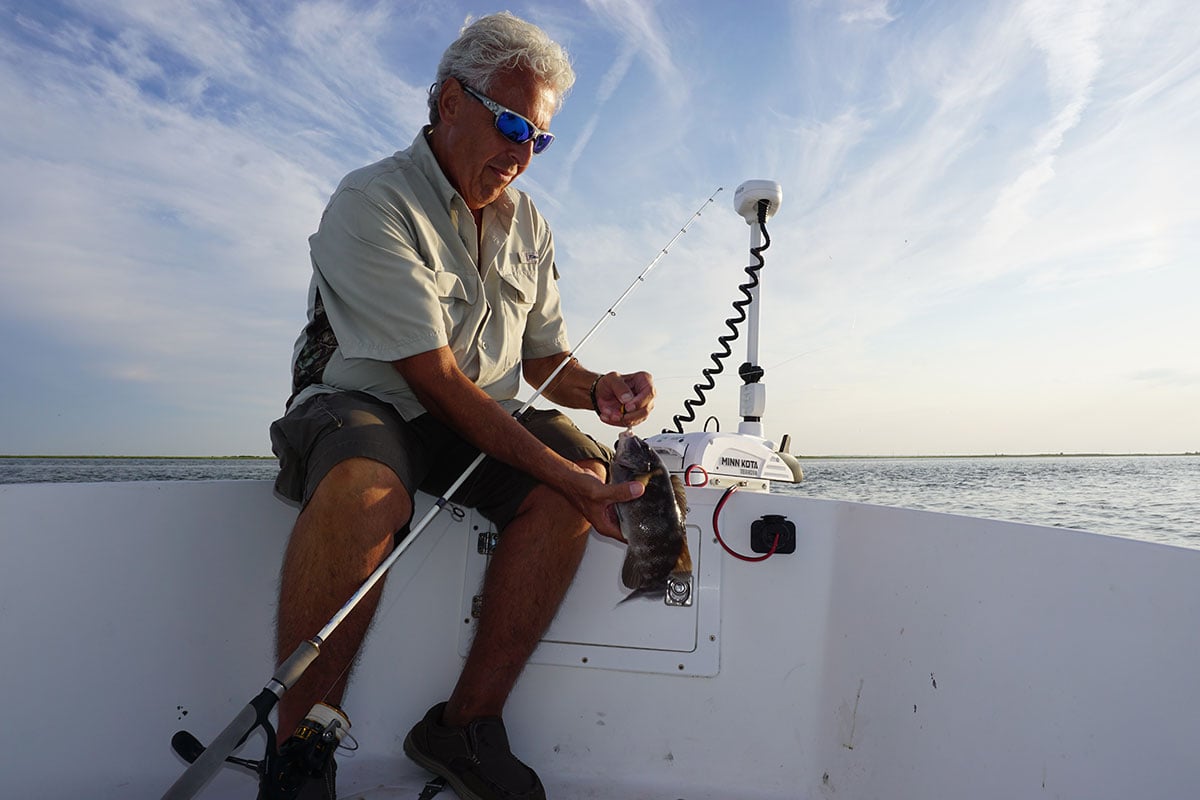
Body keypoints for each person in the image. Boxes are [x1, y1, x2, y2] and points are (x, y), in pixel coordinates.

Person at [263, 12, 654, 800]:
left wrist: (598, 389)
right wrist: (572, 476)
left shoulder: (530, 224)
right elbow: (433, 379)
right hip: (363, 396)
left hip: (472, 406)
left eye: (538, 139)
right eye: (512, 124)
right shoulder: (371, 200)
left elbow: (543, 360)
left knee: (576, 468)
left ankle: (463, 727)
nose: (522, 152)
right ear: (447, 101)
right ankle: (300, 749)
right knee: (367, 489)